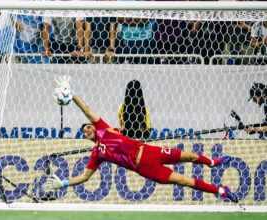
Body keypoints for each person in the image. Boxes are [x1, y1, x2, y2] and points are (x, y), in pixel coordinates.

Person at [47, 76, 239, 203]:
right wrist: (63, 183)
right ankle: (222, 191)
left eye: (88, 126)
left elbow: (87, 110)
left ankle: (212, 162)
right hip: (145, 168)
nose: (87, 129)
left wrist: (72, 96)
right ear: (86, 137)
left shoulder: (105, 129)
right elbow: (84, 177)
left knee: (190, 156)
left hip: (149, 150)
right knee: (184, 180)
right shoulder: (97, 154)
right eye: (84, 131)